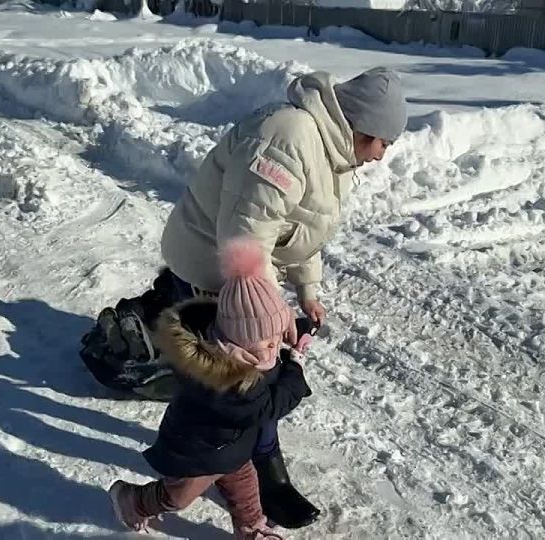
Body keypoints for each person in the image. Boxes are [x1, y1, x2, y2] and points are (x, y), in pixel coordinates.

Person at [81, 66, 407, 528]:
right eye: (383, 143)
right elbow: (247, 239)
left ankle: (243, 478)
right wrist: (272, 316)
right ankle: (225, 473)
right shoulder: (287, 138)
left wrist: (306, 289)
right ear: (362, 127)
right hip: (211, 270)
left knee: (240, 392)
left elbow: (300, 229)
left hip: (240, 277)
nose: (381, 156)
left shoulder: (333, 153)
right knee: (242, 389)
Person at [108, 237, 313, 538]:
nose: (275, 347)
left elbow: (266, 353)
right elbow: (269, 406)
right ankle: (132, 501)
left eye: (277, 336)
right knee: (177, 497)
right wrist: (295, 366)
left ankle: (251, 528)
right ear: (237, 339)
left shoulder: (240, 349)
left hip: (230, 446)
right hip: (199, 451)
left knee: (245, 488)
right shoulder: (227, 379)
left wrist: (292, 337)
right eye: (267, 341)